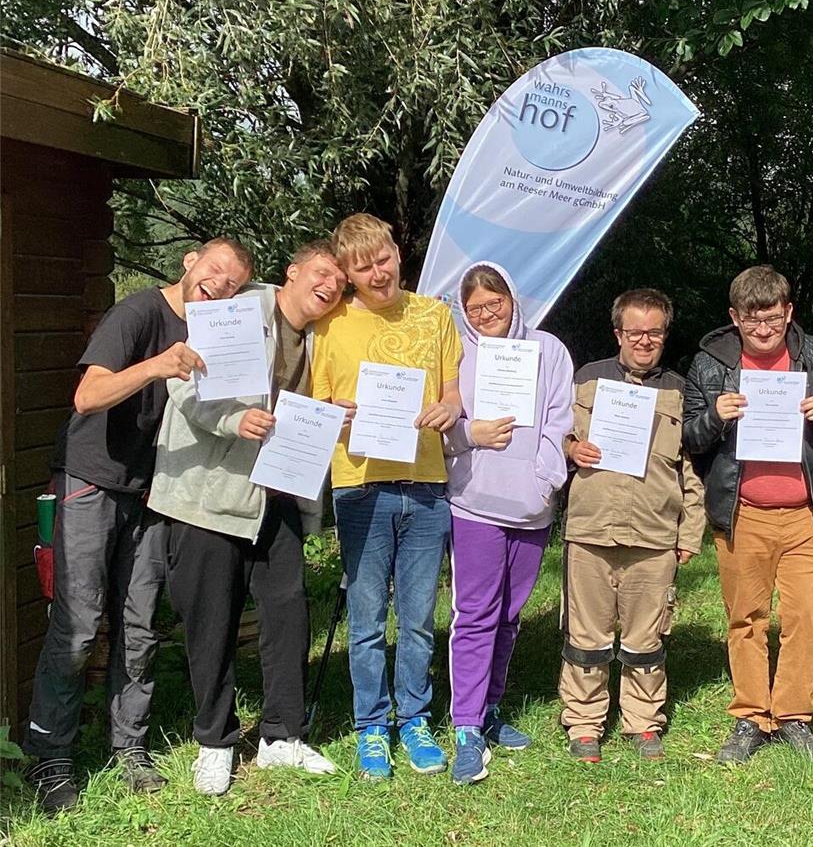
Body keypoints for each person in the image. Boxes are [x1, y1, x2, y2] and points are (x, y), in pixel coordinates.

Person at [22, 237, 252, 814]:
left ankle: (130, 746)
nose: (220, 286)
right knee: (76, 628)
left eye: (234, 285)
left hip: (151, 490)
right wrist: (157, 363)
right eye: (215, 271)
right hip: (90, 479)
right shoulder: (139, 313)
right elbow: (87, 395)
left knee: (141, 625)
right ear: (189, 261)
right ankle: (49, 755)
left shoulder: (217, 332)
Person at [148, 240, 347, 795]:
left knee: (287, 611)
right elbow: (182, 384)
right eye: (322, 273)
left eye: (338, 283)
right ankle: (215, 740)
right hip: (211, 492)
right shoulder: (236, 309)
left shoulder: (324, 338)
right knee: (211, 620)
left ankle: (282, 735)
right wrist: (234, 422)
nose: (329, 287)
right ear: (295, 271)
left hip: (278, 491)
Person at [311, 214, 463, 780]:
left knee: (420, 616)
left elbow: (452, 392)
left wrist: (450, 409)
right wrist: (338, 417)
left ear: (397, 252)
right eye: (362, 266)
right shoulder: (331, 327)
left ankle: (415, 720)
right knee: (368, 617)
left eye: (383, 258)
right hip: (359, 485)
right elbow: (315, 407)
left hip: (426, 485)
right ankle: (371, 727)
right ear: (348, 275)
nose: (378, 272)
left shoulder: (435, 313)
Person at [683, 265, 813, 765]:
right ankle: (752, 716)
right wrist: (716, 417)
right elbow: (689, 438)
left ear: (788, 313)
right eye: (752, 321)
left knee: (808, 617)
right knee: (746, 619)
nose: (763, 330)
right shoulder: (710, 364)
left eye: (773, 320)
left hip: (808, 513)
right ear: (734, 317)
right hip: (744, 512)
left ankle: (795, 716)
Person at [559, 289, 705, 763]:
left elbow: (690, 468)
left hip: (653, 532)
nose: (645, 340)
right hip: (591, 527)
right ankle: (584, 721)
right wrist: (569, 449)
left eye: (655, 332)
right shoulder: (585, 380)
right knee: (586, 634)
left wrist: (690, 531)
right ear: (618, 332)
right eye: (635, 331)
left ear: (665, 334)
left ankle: (642, 720)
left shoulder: (681, 390)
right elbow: (554, 433)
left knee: (647, 635)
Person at [442, 262, 573, 785]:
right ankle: (466, 726)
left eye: (495, 302)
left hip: (531, 507)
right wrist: (471, 434)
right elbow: (440, 423)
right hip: (473, 502)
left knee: (510, 615)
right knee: (475, 613)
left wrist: (546, 480)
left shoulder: (549, 350)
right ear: (464, 310)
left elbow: (559, 419)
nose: (487, 313)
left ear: (513, 300)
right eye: (475, 306)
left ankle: (491, 708)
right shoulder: (454, 354)